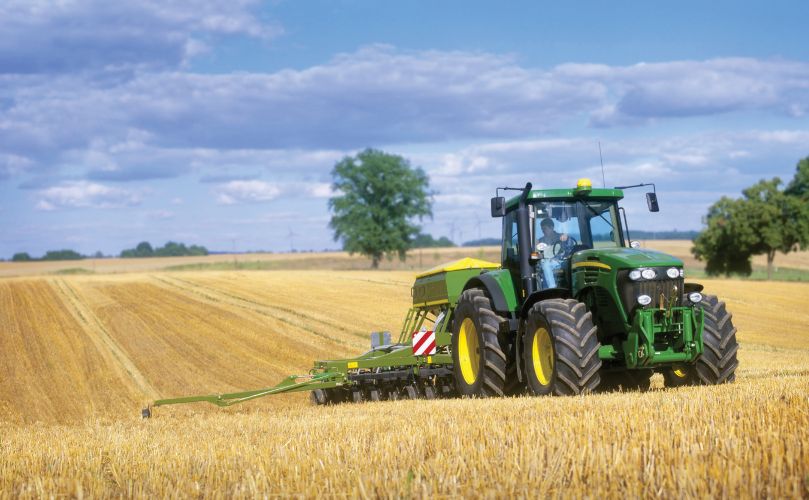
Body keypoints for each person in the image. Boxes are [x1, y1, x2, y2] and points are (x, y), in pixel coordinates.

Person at [536, 218, 569, 289]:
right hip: (547, 263)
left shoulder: (561, 237)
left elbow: (568, 248)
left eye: (545, 229)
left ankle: (552, 289)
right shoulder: (540, 241)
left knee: (545, 264)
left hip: (560, 262)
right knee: (544, 263)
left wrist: (566, 237)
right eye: (542, 229)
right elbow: (536, 255)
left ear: (552, 227)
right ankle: (548, 290)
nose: (543, 231)